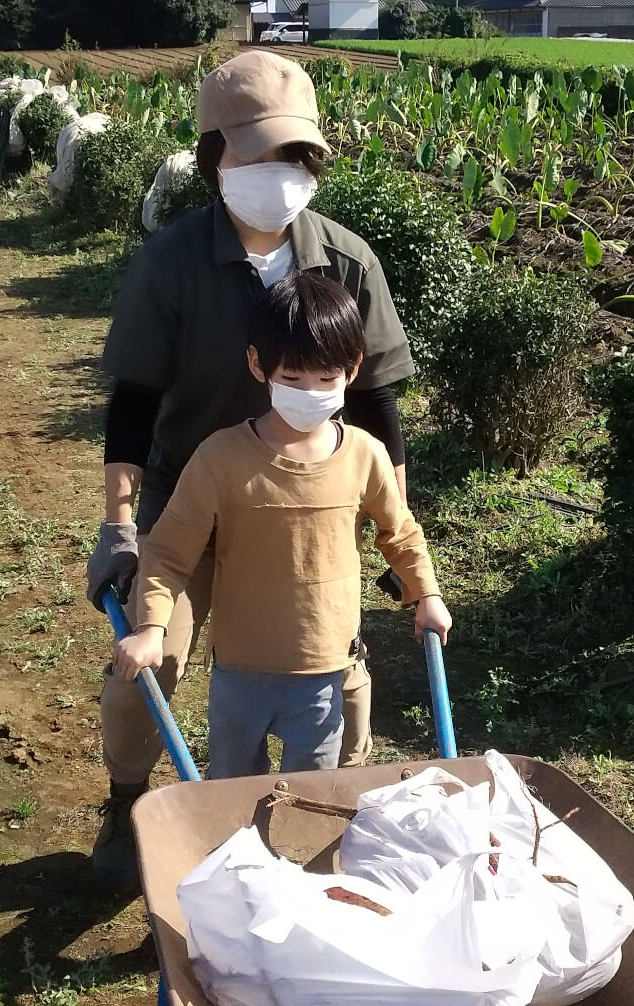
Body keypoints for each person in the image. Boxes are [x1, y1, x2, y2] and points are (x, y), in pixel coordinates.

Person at [84, 51, 415, 888]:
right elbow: (133, 398)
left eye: (294, 157)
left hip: (309, 500)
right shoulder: (174, 262)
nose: (277, 174)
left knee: (340, 676)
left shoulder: (347, 262)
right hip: (189, 495)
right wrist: (123, 522)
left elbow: (377, 403)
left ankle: (327, 814)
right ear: (213, 159)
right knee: (145, 665)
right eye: (257, 156)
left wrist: (387, 526)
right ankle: (126, 807)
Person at [114, 275, 448, 779]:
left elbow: (400, 533)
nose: (308, 392)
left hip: (326, 670)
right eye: (292, 378)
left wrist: (426, 595)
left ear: (352, 369)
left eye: (325, 378)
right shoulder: (220, 458)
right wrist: (151, 626)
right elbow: (168, 551)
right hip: (240, 674)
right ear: (258, 365)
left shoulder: (365, 455)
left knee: (316, 797)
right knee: (234, 790)